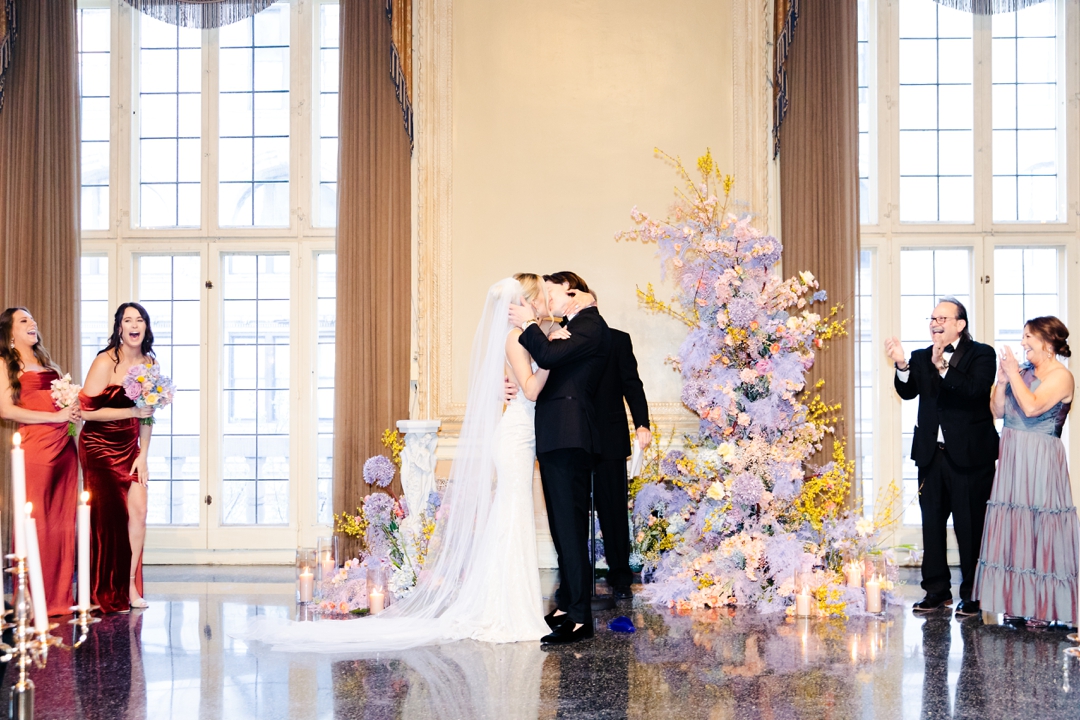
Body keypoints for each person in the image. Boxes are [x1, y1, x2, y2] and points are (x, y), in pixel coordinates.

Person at [236, 275, 564, 652]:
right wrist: (551, 358)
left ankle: (509, 604)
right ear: (527, 298)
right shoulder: (516, 336)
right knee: (511, 515)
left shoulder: (525, 334)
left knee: (512, 515)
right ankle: (504, 608)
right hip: (515, 439)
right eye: (540, 293)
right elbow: (531, 388)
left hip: (521, 435)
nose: (544, 300)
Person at [510, 271, 612, 645]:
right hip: (557, 436)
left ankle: (580, 618)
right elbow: (548, 367)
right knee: (561, 529)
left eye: (551, 296)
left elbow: (550, 355)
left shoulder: (590, 324)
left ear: (575, 293)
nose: (546, 304)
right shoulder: (571, 327)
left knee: (569, 530)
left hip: (569, 436)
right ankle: (568, 603)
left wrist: (528, 325)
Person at [885, 298, 998, 616]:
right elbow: (907, 393)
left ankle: (972, 593)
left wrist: (944, 366)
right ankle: (936, 591)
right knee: (931, 525)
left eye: (942, 318)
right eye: (932, 318)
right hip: (930, 455)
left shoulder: (982, 354)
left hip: (970, 457)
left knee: (970, 527)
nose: (935, 323)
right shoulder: (922, 357)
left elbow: (975, 391)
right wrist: (902, 365)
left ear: (960, 324)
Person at [973, 316, 1078, 628]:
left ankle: (1043, 607)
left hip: (1042, 458)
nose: (1022, 344)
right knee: (1014, 525)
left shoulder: (1062, 376)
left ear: (1046, 343)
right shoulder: (1023, 373)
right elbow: (998, 411)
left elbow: (1032, 407)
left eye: (1028, 337)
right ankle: (1015, 602)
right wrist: (1003, 379)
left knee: (1040, 524)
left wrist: (1014, 376)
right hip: (1013, 455)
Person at [0, 308, 80, 615]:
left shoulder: (48, 364)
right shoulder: (6, 364)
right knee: (37, 521)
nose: (32, 323)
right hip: (37, 450)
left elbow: (63, 403)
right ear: (10, 334)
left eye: (33, 319)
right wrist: (54, 416)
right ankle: (33, 598)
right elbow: (7, 411)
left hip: (65, 449)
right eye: (24, 321)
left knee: (62, 522)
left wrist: (71, 411)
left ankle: (59, 598)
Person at [79, 303, 156, 613]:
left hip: (130, 446)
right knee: (111, 520)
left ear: (146, 328)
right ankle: (108, 588)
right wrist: (131, 411)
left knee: (139, 511)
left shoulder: (149, 363)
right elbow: (85, 412)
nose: (134, 325)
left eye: (140, 320)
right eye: (128, 320)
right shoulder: (105, 361)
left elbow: (149, 414)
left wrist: (144, 454)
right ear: (119, 328)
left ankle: (129, 583)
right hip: (99, 445)